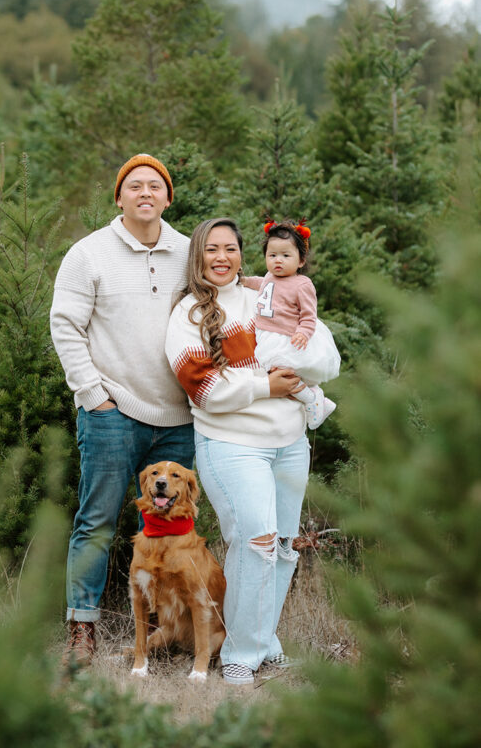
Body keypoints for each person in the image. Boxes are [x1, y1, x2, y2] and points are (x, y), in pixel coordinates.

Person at [50, 154, 194, 663]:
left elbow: (226, 297)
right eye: (134, 186)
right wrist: (94, 396)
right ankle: (82, 628)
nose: (145, 193)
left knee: (175, 526)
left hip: (180, 419)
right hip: (113, 411)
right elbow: (65, 325)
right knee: (98, 520)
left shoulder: (188, 252)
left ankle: (169, 628)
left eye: (156, 186)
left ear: (168, 197)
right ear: (119, 197)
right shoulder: (88, 254)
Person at [165, 217, 312, 685]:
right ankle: (238, 654)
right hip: (231, 444)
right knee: (256, 541)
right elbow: (202, 387)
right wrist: (265, 386)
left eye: (230, 248)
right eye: (212, 249)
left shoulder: (263, 297)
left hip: (290, 442)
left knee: (283, 546)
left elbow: (304, 348)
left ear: (242, 254)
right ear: (198, 256)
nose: (222, 257)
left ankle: (265, 643)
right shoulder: (188, 314)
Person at [242, 219, 340, 429]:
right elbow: (263, 284)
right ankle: (316, 399)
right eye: (272, 255)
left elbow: (308, 315)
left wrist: (303, 333)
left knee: (282, 372)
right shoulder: (270, 276)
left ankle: (312, 397)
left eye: (286, 256)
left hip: (287, 337)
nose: (278, 261)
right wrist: (246, 281)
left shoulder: (301, 284)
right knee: (274, 374)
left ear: (301, 260)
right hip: (268, 334)